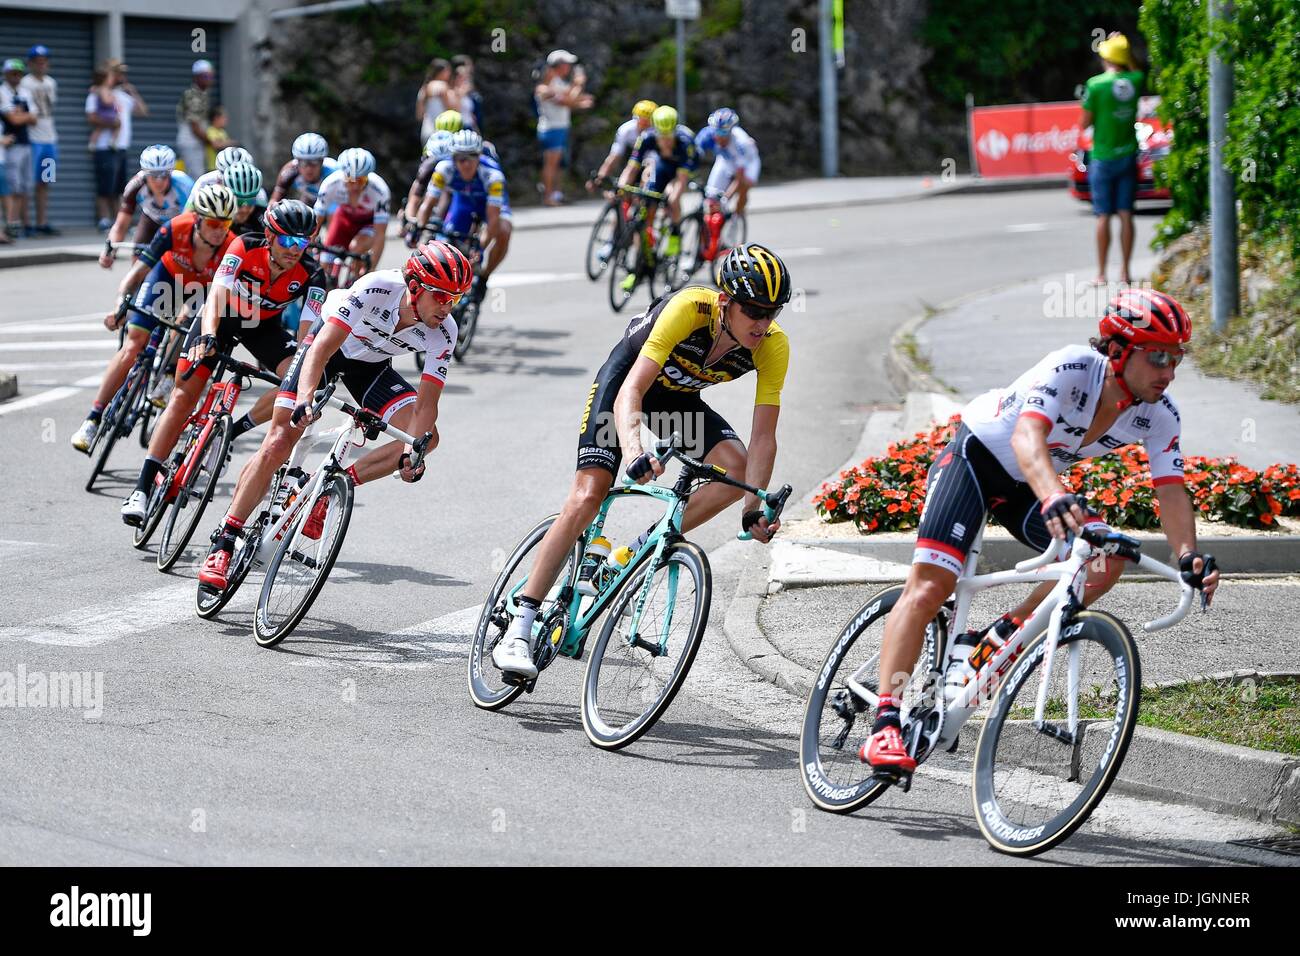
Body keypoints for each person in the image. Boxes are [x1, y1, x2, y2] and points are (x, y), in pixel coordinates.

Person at [861, 288, 1222, 778]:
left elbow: (1172, 489)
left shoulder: (1159, 413)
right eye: (1158, 355)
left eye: (1176, 358)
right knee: (930, 587)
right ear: (1117, 351)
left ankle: (1002, 631)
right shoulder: (1074, 367)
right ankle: (885, 721)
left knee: (1106, 555)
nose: (1169, 371)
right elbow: (1025, 435)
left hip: (1030, 485)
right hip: (977, 459)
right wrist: (1054, 494)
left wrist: (1189, 557)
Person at [491, 243, 792, 679]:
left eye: (773, 312)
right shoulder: (689, 308)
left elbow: (765, 437)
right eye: (753, 311)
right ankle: (518, 628)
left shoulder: (772, 346)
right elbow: (632, 389)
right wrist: (634, 453)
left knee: (739, 470)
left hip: (675, 403)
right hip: (625, 387)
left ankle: (635, 551)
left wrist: (753, 509)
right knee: (589, 494)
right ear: (725, 301)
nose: (763, 323)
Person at [196, 241, 471, 590]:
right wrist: (306, 399)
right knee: (281, 438)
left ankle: (329, 489)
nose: (448, 307)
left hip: (370, 368)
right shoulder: (378, 288)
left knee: (427, 438)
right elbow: (322, 348)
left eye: (457, 299)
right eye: (442, 296)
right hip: (327, 350)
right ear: (414, 287)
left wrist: (410, 453)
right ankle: (225, 540)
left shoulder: (444, 331)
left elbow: (426, 405)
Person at [120, 199, 326, 526]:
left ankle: (233, 431)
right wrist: (208, 334)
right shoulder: (245, 245)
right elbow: (217, 291)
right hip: (224, 317)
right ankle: (142, 488)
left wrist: (303, 372)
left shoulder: (313, 273)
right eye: (287, 240)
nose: (295, 249)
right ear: (270, 236)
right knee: (184, 396)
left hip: (264, 329)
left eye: (303, 242)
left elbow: (307, 332)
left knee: (306, 378)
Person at [71, 184, 238, 454]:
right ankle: (93, 419)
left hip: (202, 292)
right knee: (134, 344)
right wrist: (119, 307)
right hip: (166, 280)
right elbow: (136, 274)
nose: (220, 230)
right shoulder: (175, 228)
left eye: (226, 223)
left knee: (188, 325)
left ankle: (169, 374)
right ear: (197, 219)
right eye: (214, 223)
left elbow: (220, 298)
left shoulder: (231, 246)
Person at [417, 129, 510, 301]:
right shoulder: (444, 169)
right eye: (461, 158)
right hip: (464, 202)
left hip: (489, 204)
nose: (466, 163)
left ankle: (484, 276)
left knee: (503, 231)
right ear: (453, 158)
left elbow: (493, 219)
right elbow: (428, 204)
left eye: (472, 157)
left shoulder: (493, 176)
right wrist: (420, 228)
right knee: (446, 240)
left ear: (479, 157)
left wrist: (480, 247)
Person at [1082, 32, 1144, 285]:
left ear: (1106, 57)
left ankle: (1100, 273)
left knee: (1103, 215)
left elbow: (1084, 123)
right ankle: (1126, 272)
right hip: (1128, 155)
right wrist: (1126, 50)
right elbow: (1136, 69)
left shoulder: (1096, 85)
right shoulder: (1136, 80)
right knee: (1126, 214)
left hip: (1103, 157)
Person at [616, 104, 697, 290]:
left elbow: (681, 181)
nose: (666, 141)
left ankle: (675, 236)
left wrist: (673, 198)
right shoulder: (647, 137)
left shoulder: (685, 141)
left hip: (682, 168)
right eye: (662, 137)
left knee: (672, 197)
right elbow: (631, 168)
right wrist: (622, 187)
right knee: (646, 209)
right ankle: (639, 265)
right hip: (662, 165)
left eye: (669, 137)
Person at [100, 144, 194, 268]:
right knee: (137, 264)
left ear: (171, 172)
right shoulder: (135, 186)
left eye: (164, 174)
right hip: (151, 221)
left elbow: (194, 220)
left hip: (179, 224)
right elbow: (120, 226)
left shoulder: (185, 185)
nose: (159, 181)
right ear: (144, 173)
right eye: (153, 175)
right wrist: (110, 252)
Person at [85, 60, 146, 231]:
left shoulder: (124, 96)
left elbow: (142, 111)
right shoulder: (96, 94)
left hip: (121, 147)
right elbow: (91, 118)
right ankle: (104, 220)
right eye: (117, 73)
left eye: (122, 74)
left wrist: (132, 91)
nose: (121, 77)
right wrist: (111, 123)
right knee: (105, 186)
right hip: (104, 147)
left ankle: (120, 222)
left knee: (120, 187)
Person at [313, 147, 389, 279]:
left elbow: (380, 235)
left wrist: (371, 268)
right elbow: (316, 221)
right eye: (350, 180)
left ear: (367, 177)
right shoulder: (331, 184)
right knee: (324, 265)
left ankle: (354, 282)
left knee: (356, 248)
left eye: (360, 181)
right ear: (343, 175)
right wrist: (310, 244)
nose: (354, 186)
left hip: (368, 224)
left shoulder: (379, 190)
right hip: (344, 220)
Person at [694, 107, 760, 259]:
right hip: (725, 161)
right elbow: (692, 157)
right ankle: (708, 243)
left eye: (724, 133)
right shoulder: (708, 135)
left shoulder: (741, 143)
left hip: (748, 164)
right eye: (717, 132)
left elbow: (739, 178)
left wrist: (726, 198)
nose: (719, 137)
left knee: (744, 186)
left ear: (731, 130)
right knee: (710, 199)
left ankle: (737, 217)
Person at [535, 50, 593, 206]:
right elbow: (568, 100)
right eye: (566, 64)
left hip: (560, 128)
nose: (569, 67)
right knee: (551, 164)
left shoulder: (558, 83)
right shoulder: (545, 87)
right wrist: (579, 85)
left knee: (559, 164)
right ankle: (547, 196)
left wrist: (579, 99)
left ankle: (556, 194)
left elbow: (570, 98)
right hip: (551, 128)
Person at [20, 44, 59, 236]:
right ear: (31, 63)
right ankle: (26, 224)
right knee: (28, 183)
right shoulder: (25, 83)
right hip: (32, 139)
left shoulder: (51, 83)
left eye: (44, 62)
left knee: (45, 181)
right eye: (37, 62)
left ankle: (42, 222)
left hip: (50, 139)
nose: (41, 65)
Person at [586, 99, 656, 194]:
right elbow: (614, 156)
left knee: (648, 173)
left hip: (650, 160)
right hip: (631, 159)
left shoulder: (655, 132)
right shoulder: (626, 130)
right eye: (641, 122)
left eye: (647, 123)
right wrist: (600, 177)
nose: (644, 126)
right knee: (618, 190)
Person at [0, 59, 34, 240]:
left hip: (27, 144)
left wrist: (20, 115)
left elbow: (35, 118)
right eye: (12, 73)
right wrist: (23, 116)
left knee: (25, 187)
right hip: (9, 148)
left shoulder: (26, 92)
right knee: (10, 188)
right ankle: (10, 224)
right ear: (5, 74)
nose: (16, 76)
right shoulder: (2, 92)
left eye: (18, 73)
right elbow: (14, 120)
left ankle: (21, 225)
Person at [269, 132, 337, 205]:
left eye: (314, 162)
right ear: (297, 161)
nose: (309, 168)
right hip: (309, 200)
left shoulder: (334, 172)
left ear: (322, 161)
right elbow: (274, 201)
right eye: (303, 162)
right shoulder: (289, 171)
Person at [176, 60, 216, 176]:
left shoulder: (202, 94)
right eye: (205, 76)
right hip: (191, 143)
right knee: (196, 177)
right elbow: (195, 126)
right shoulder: (193, 96)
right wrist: (211, 141)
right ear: (196, 77)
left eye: (210, 76)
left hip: (197, 143)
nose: (209, 79)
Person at [417, 58, 461, 145]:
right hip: (444, 133)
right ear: (441, 72)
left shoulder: (423, 89)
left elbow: (419, 115)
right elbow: (453, 110)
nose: (449, 74)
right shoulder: (442, 86)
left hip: (426, 131)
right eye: (448, 71)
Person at [452, 54, 481, 131]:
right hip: (460, 127)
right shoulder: (453, 92)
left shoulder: (468, 93)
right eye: (463, 77)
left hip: (470, 126)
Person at [204, 104, 233, 172]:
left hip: (224, 166)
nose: (226, 120)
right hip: (213, 167)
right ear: (216, 118)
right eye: (224, 117)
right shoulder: (211, 130)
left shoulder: (222, 131)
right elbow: (216, 145)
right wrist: (232, 143)